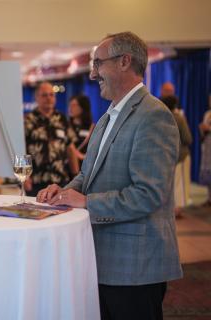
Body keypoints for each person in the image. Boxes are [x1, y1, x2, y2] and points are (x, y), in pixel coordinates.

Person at [37, 32, 182, 320]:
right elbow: (87, 175)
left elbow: (149, 194)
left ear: (124, 61)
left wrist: (87, 202)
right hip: (102, 259)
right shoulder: (108, 116)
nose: (92, 74)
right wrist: (63, 192)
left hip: (135, 266)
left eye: (98, 64)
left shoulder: (154, 115)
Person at [24, 81, 78, 196]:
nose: (48, 98)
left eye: (51, 95)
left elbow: (70, 149)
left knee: (63, 213)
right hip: (36, 182)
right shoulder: (28, 121)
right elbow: (21, 149)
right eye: (44, 95)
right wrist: (25, 176)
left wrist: (76, 177)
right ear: (36, 98)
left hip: (61, 181)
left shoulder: (63, 119)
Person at [160, 95, 192, 217]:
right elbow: (188, 138)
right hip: (181, 155)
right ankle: (177, 210)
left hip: (166, 156)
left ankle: (172, 208)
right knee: (181, 183)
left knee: (172, 183)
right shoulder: (179, 118)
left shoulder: (160, 117)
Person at [68, 94, 95, 167]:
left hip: (84, 166)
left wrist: (81, 156)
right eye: (70, 105)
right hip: (68, 166)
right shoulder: (66, 126)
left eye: (74, 105)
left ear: (83, 107)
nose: (70, 108)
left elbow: (95, 151)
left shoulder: (92, 128)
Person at [199, 95, 211, 207]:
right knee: (208, 172)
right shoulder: (207, 114)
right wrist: (202, 129)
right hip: (207, 145)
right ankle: (209, 198)